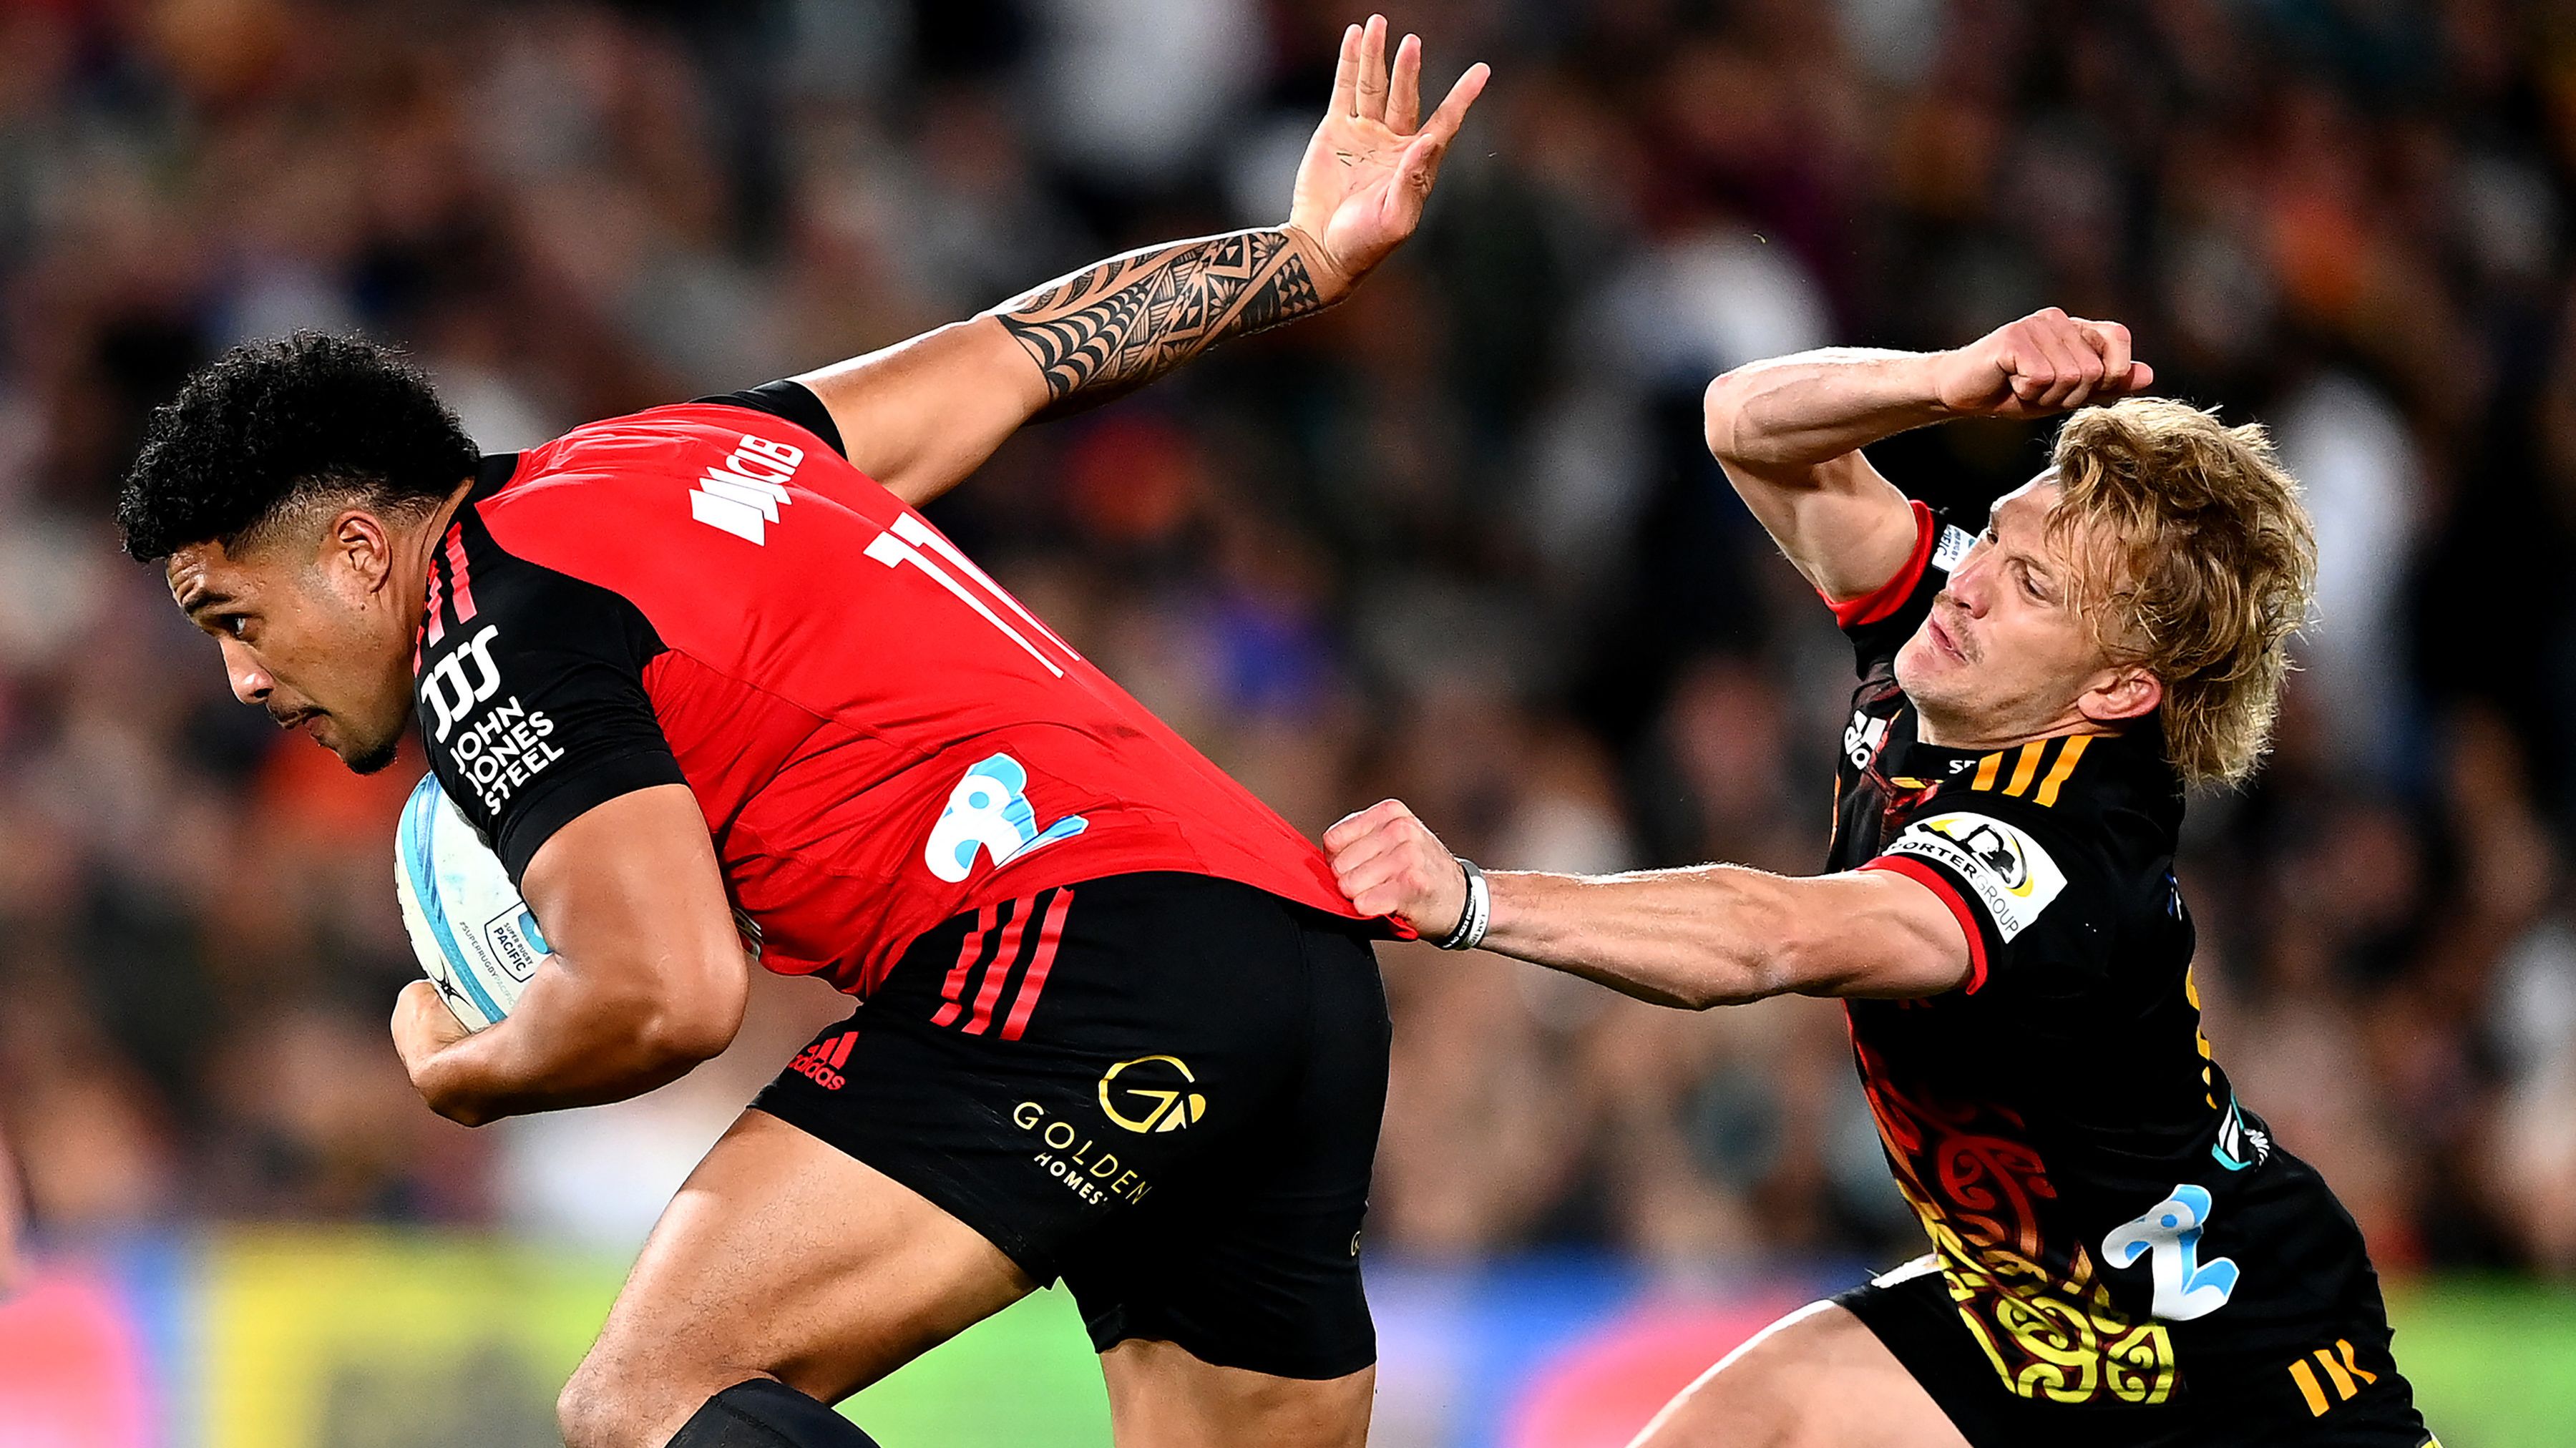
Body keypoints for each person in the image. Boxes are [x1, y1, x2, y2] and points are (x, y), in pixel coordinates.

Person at [115, 19, 1483, 1448]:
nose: (241, 682)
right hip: (1289, 947)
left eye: (234, 617)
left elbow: (668, 996)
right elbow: (1014, 358)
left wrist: (468, 1065)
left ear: (354, 551)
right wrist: (1306, 255)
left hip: (1075, 956)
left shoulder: (486, 624)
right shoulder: (680, 452)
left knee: (649, 1400)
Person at [1323, 310, 2439, 1448]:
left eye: (2034, 587)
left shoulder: (2060, 852)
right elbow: (1743, 426)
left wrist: (1469, 898)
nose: (1973, 582)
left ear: (2116, 692)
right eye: (1998, 538)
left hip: (2236, 1367)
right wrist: (1950, 383)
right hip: (2031, 1322)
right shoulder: (1966, 632)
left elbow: (1774, 942)